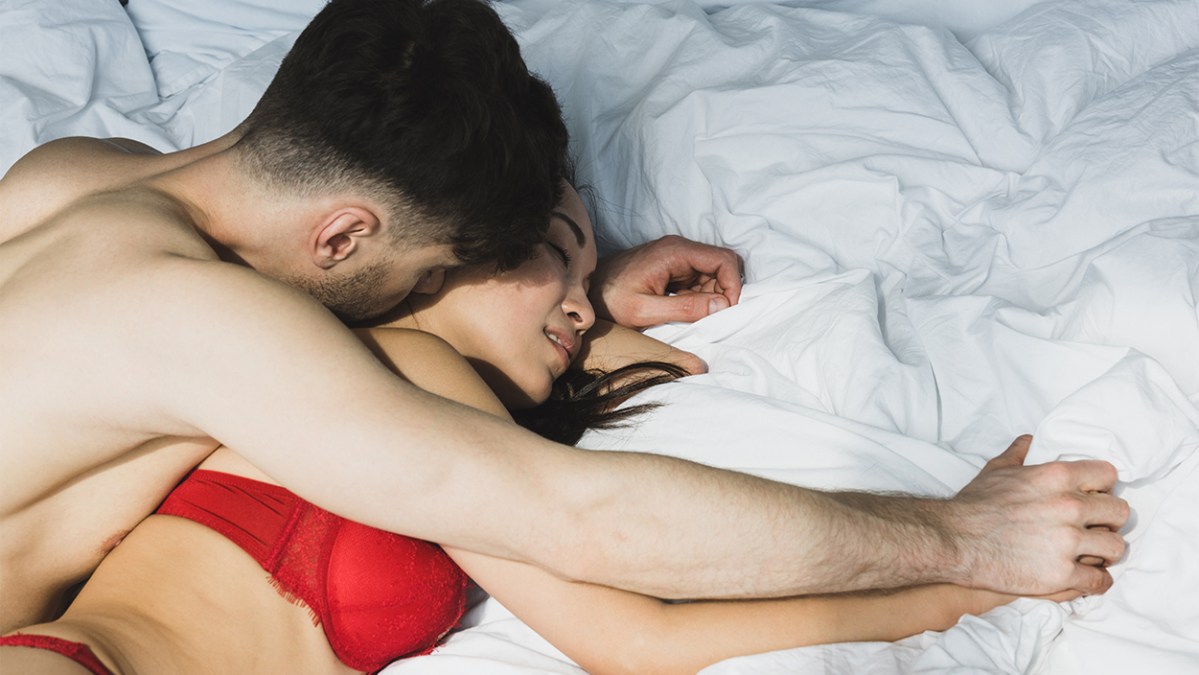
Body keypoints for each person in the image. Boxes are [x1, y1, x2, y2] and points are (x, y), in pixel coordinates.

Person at [0, 0, 1126, 638]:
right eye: (431, 269)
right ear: (341, 237)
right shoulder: (201, 322)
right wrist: (960, 538)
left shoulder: (67, 179)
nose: (421, 295)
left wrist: (562, 291)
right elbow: (583, 518)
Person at [0, 184, 1067, 675]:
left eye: (580, 269)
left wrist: (590, 300)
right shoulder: (390, 373)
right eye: (550, 250)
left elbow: (674, 369)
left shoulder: (384, 382)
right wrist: (954, 579)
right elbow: (635, 643)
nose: (573, 299)